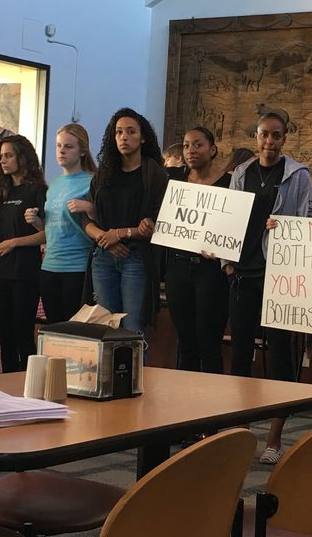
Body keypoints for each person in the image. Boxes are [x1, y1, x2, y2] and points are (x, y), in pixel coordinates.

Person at [225, 109, 312, 464]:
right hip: (243, 271)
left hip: (279, 275)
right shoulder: (242, 173)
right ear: (256, 136)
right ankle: (241, 430)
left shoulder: (297, 175)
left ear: (284, 138)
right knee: (240, 353)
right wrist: (226, 262)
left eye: (276, 135)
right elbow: (228, 218)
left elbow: (309, 220)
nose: (269, 141)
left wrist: (285, 227)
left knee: (279, 354)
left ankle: (275, 438)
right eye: (264, 134)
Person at [83, 108, 168, 339]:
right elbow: (86, 219)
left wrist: (120, 233)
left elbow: (159, 223)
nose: (124, 137)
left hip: (136, 256)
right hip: (103, 255)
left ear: (142, 137)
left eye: (131, 132)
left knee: (132, 328)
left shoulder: (154, 174)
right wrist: (105, 238)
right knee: (105, 326)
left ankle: (135, 365)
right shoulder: (104, 174)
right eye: (119, 132)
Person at [165, 126, 230, 374]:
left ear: (212, 149)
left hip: (211, 270)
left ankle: (213, 396)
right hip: (178, 267)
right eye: (186, 145)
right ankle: (185, 394)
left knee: (209, 340)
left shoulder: (229, 183)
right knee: (185, 341)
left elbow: (233, 227)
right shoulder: (173, 180)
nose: (191, 150)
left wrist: (221, 247)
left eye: (198, 144)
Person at [0, 135, 46, 373]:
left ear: (23, 157)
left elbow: (48, 234)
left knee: (23, 332)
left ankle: (28, 382)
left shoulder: (38, 190)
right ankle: (8, 380)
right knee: (4, 333)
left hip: (26, 272)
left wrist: (15, 243)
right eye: (1, 157)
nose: (3, 161)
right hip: (1, 272)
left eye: (8, 156)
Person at [25, 123, 96, 324]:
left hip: (77, 266)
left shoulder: (92, 181)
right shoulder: (54, 184)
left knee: (75, 330)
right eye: (58, 146)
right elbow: (51, 229)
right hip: (50, 265)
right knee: (54, 328)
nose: (61, 151)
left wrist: (89, 207)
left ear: (82, 151)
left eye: (68, 146)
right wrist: (37, 221)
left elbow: (105, 220)